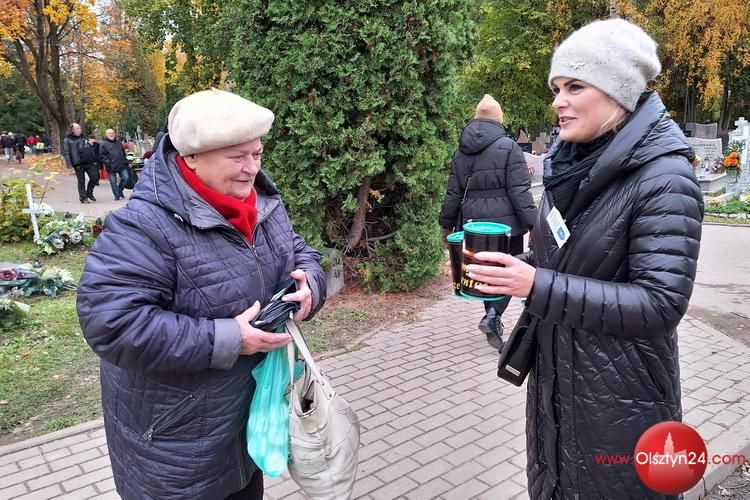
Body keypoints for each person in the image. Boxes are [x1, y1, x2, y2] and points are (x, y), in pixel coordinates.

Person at [465, 19, 703, 499]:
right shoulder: (572, 166)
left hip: (621, 404)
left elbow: (660, 305)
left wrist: (536, 285)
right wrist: (513, 267)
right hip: (557, 390)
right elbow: (569, 257)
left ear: (618, 91)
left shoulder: (665, 179)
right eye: (556, 88)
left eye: (575, 86)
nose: (558, 101)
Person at [76, 88, 327, 500]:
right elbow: (112, 324)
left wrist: (310, 285)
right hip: (179, 449)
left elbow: (298, 250)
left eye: (257, 154)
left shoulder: (262, 202)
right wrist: (229, 338)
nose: (251, 168)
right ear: (190, 157)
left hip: (245, 428)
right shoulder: (142, 227)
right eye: (237, 157)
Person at [439, 94, 536, 350]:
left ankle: (492, 317)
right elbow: (520, 191)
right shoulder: (509, 147)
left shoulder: (461, 151)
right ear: (499, 120)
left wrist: (446, 225)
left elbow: (453, 193)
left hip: (473, 225)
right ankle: (493, 316)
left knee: (485, 272)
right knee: (506, 271)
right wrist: (534, 225)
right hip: (506, 227)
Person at [99, 128, 130, 200]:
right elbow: (101, 155)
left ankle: (119, 190)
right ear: (106, 135)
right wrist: (108, 162)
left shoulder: (118, 143)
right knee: (113, 181)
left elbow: (123, 153)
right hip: (111, 165)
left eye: (112, 133)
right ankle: (117, 195)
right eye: (109, 133)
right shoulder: (103, 144)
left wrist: (126, 161)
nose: (111, 135)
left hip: (121, 164)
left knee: (125, 177)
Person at [63, 124, 89, 200]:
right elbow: (66, 152)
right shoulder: (67, 139)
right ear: (73, 130)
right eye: (78, 128)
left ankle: (89, 192)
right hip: (77, 162)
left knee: (94, 178)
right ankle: (83, 197)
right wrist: (69, 165)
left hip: (87, 161)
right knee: (81, 180)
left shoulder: (83, 138)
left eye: (80, 128)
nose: (80, 129)